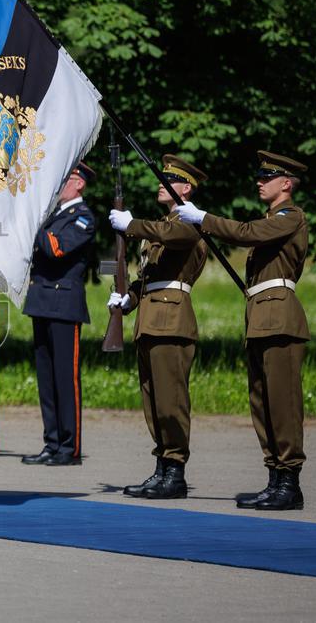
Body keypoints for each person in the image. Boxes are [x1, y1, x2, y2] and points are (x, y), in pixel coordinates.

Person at [177, 150, 310, 511]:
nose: (259, 181)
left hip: (280, 318)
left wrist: (203, 217)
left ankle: (290, 482)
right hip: (261, 319)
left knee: (282, 404)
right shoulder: (273, 219)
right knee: (262, 403)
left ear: (286, 183)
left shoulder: (290, 217)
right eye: (260, 176)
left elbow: (246, 233)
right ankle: (274, 476)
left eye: (268, 177)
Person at [108, 155, 208, 498]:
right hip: (149, 321)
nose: (161, 184)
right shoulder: (162, 227)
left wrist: (131, 223)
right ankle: (162, 467)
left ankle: (176, 471)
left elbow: (170, 234)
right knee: (153, 401)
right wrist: (128, 299)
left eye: (170, 180)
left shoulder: (189, 222)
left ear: (186, 188)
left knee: (171, 401)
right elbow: (147, 278)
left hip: (173, 321)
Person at [21, 162, 96, 466]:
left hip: (63, 306)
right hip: (41, 302)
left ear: (79, 184)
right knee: (46, 380)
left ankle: (69, 447)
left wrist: (36, 220)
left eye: (66, 179)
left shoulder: (83, 218)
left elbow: (54, 249)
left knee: (66, 380)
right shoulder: (55, 216)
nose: (59, 184)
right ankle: (51, 443)